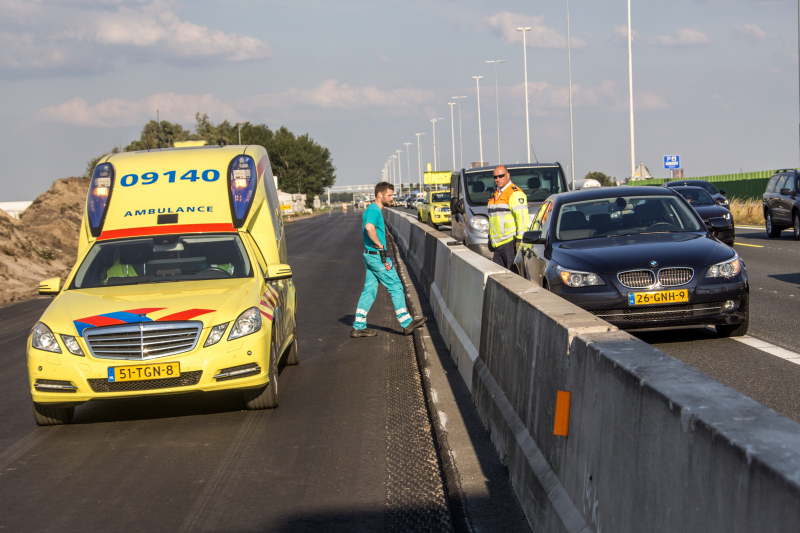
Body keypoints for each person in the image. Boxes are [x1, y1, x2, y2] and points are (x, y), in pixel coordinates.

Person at [351, 182, 427, 338]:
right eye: (390, 195)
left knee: (369, 290)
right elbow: (369, 228)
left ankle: (358, 326)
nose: (392, 198)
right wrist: (380, 246)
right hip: (377, 256)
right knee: (396, 285)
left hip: (370, 255)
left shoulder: (371, 209)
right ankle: (406, 323)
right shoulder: (374, 210)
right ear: (380, 195)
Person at [487, 165, 529, 271]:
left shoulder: (515, 194)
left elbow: (522, 219)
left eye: (500, 176)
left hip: (509, 243)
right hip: (497, 244)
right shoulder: (495, 194)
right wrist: (490, 238)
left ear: (508, 175)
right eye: (495, 177)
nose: (498, 179)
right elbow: (493, 219)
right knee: (499, 278)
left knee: (512, 277)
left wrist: (519, 241)